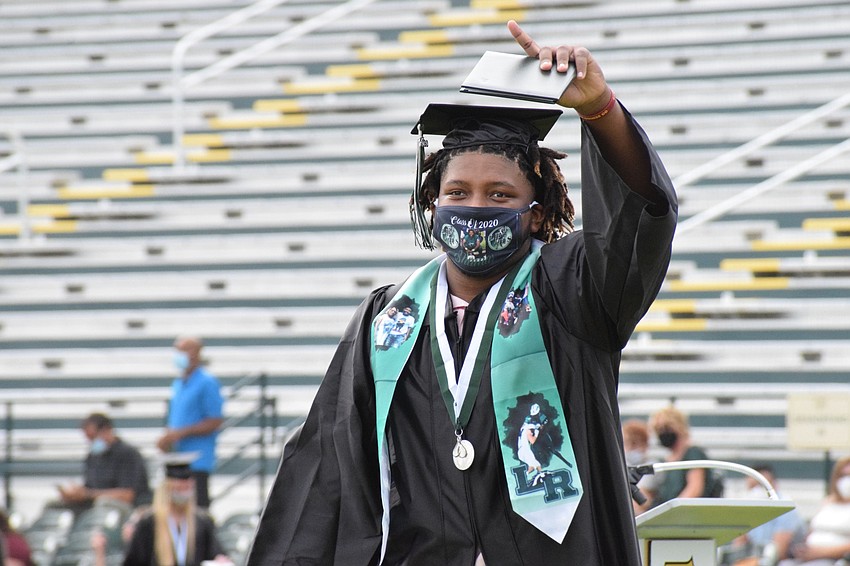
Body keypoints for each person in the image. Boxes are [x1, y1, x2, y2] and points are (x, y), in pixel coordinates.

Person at [247, 20, 676, 566]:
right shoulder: (387, 320)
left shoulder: (572, 293)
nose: (475, 207)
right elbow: (325, 466)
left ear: (536, 214)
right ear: (433, 206)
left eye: (500, 194)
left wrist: (599, 111)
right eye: (458, 192)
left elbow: (635, 226)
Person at [157, 336, 224, 508]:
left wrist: (181, 433)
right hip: (176, 458)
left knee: (197, 512)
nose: (179, 355)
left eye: (184, 349)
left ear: (197, 353)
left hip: (197, 460)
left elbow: (215, 420)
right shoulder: (178, 383)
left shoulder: (207, 382)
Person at [122, 462, 229, 566]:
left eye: (187, 486)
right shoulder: (148, 523)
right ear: (167, 487)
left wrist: (220, 559)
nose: (184, 490)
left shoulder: (202, 522)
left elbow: (216, 553)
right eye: (179, 486)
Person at [58, 413, 152, 511]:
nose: (92, 442)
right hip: (96, 507)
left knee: (103, 504)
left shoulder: (128, 454)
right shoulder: (93, 456)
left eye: (93, 437)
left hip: (126, 509)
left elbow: (127, 495)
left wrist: (88, 495)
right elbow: (89, 487)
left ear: (107, 430)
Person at [719, 464, 805, 566]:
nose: (756, 491)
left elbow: (779, 553)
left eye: (760, 486)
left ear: (774, 485)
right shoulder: (748, 509)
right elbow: (738, 547)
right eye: (752, 487)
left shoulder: (785, 509)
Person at [778, 456, 850, 566]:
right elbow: (811, 532)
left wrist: (821, 552)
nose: (846, 481)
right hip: (809, 557)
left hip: (835, 560)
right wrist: (804, 550)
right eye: (843, 476)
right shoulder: (828, 502)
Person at [649, 405, 723, 508]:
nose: (663, 433)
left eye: (667, 428)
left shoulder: (693, 454)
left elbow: (695, 488)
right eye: (659, 429)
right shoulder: (666, 460)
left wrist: (672, 511)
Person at [622, 419, 659, 513]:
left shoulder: (651, 466)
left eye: (634, 443)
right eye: (627, 443)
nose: (630, 447)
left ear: (645, 444)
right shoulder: (623, 465)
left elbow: (644, 500)